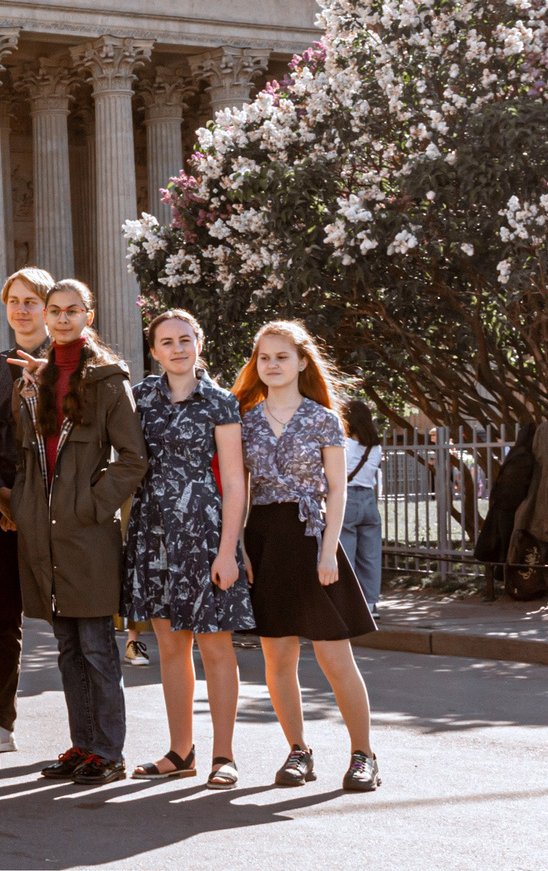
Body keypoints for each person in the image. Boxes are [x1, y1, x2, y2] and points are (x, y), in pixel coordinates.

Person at [7, 277, 146, 787]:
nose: (62, 318)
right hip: (43, 533)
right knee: (67, 648)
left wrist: (92, 504)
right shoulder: (38, 380)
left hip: (87, 534)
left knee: (96, 648)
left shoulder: (108, 380)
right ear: (46, 317)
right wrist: (24, 510)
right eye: (54, 311)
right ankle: (83, 745)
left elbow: (133, 459)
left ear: (89, 315)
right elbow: (28, 456)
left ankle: (108, 751)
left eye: (72, 310)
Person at [237, 320, 380, 792]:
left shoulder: (323, 418)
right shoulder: (245, 418)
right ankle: (298, 751)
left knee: (335, 657)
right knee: (277, 658)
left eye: (281, 356)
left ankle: (364, 755)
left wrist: (328, 551)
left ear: (301, 362)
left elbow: (338, 490)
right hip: (263, 539)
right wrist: (240, 549)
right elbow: (238, 491)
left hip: (312, 534)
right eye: (264, 357)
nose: (271, 365)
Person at [122, 308, 253, 786]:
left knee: (216, 646)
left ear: (199, 343)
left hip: (204, 531)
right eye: (166, 342)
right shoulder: (140, 399)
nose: (177, 349)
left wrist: (228, 551)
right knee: (171, 647)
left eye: (185, 339)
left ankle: (223, 755)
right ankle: (181, 752)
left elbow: (235, 483)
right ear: (154, 351)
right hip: (153, 531)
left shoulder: (220, 402)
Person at [0, 266, 51, 755]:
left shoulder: (74, 363)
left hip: (57, 511)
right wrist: (2, 498)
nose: (21, 310)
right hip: (4, 512)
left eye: (32, 301)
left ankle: (94, 737)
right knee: (2, 619)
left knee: (75, 622)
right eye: (14, 301)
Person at [340, 392, 386, 609]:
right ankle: (370, 604)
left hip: (347, 499)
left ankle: (349, 603)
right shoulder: (375, 447)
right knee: (370, 555)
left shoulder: (345, 445)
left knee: (345, 555)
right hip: (369, 499)